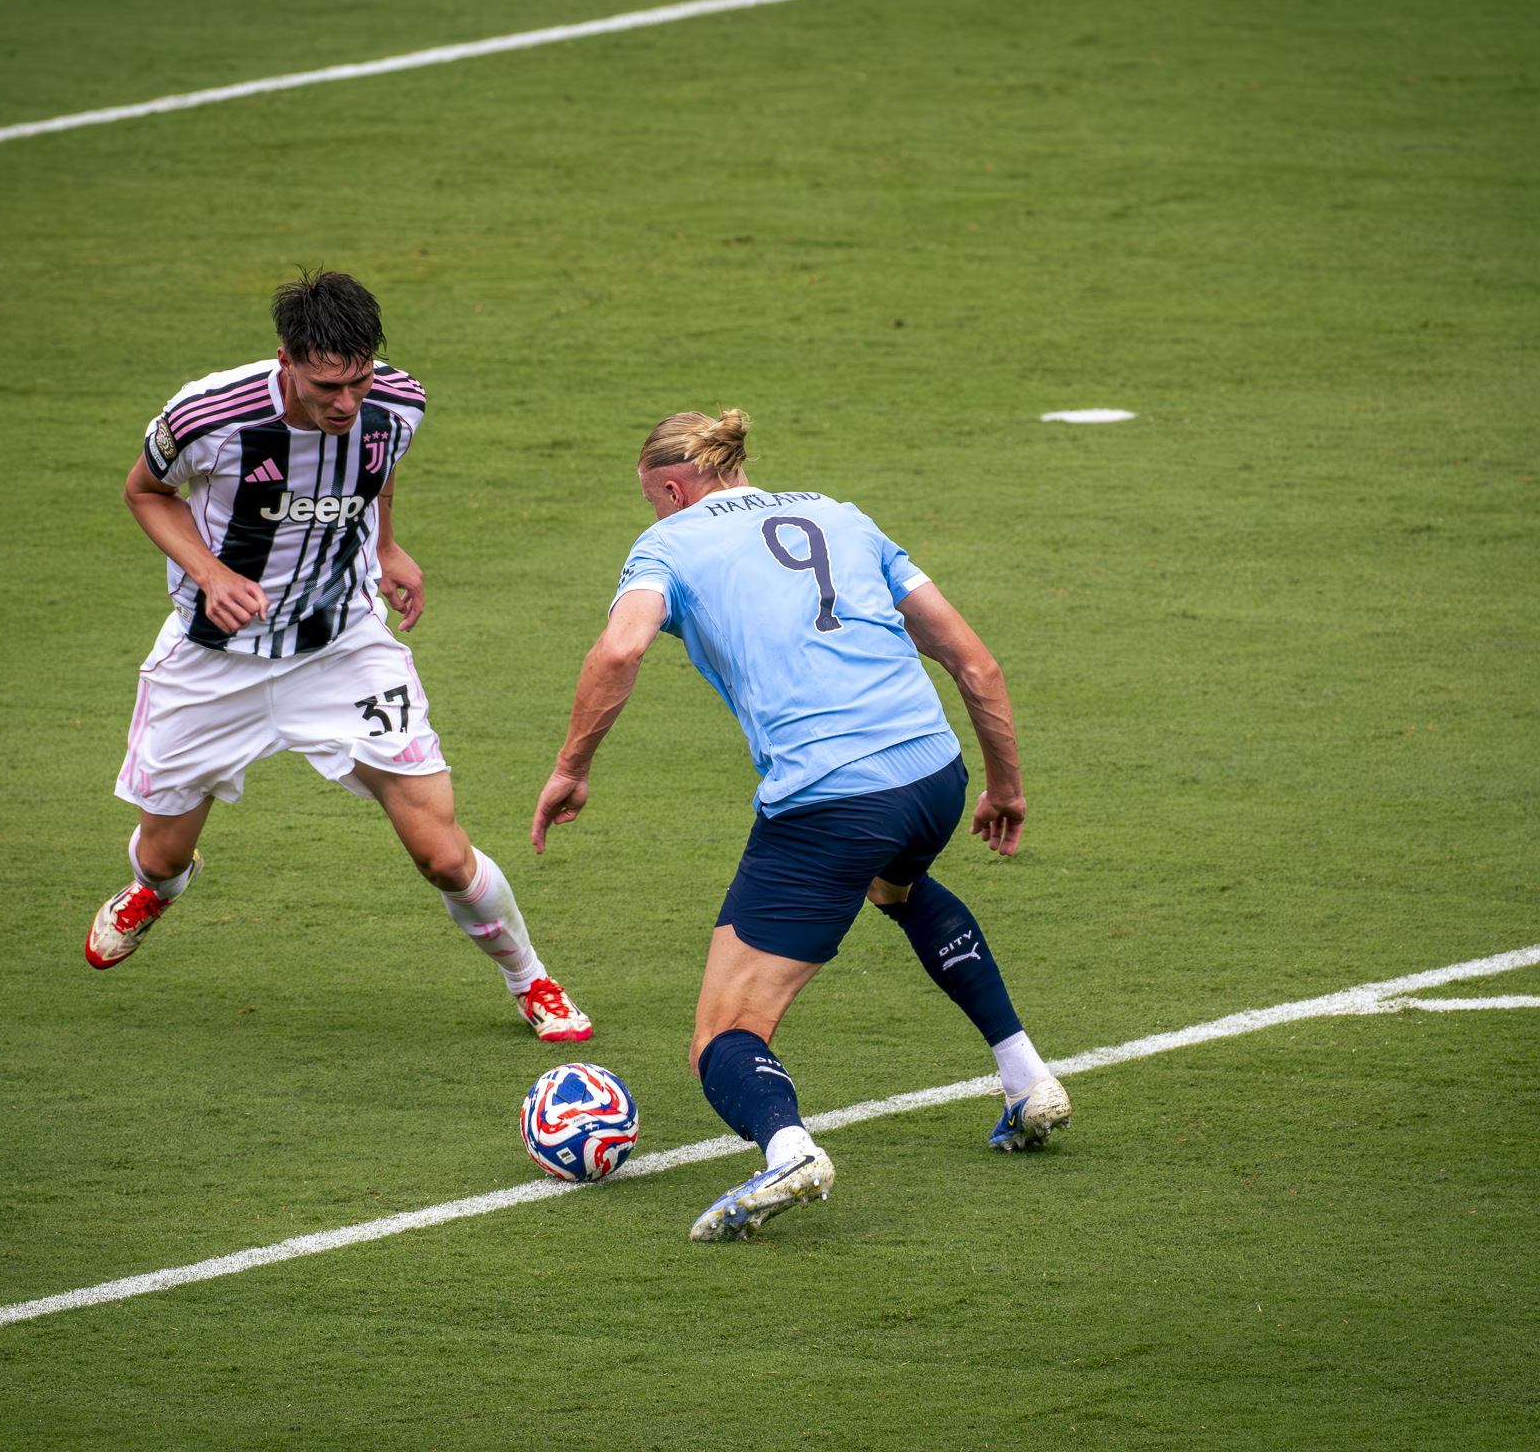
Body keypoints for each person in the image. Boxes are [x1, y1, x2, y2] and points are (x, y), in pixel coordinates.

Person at [531, 409, 1066, 1241]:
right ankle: (1027, 1078)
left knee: (723, 1034)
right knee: (898, 884)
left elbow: (618, 651)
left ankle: (788, 1150)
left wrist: (571, 768)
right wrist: (1005, 786)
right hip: (933, 772)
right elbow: (975, 662)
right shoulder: (842, 517)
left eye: (653, 502)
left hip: (830, 799)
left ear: (672, 489)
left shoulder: (670, 546)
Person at [88, 269, 592, 1045]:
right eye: (328, 386)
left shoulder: (399, 403)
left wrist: (386, 547)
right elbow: (145, 493)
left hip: (342, 649)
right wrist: (212, 574)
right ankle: (158, 889)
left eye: (359, 380)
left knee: (441, 850)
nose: (347, 402)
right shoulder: (207, 414)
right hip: (213, 659)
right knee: (163, 851)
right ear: (285, 360)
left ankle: (531, 981)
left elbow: (377, 469)